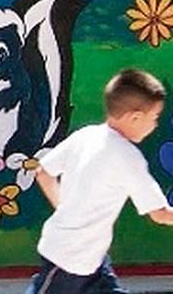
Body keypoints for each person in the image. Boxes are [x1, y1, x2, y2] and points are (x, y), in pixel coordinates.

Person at [27, 69, 173, 294]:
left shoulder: (86, 135)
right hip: (68, 260)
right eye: (154, 118)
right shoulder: (127, 157)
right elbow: (160, 213)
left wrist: (65, 209)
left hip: (91, 257)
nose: (154, 125)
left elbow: (43, 173)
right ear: (135, 117)